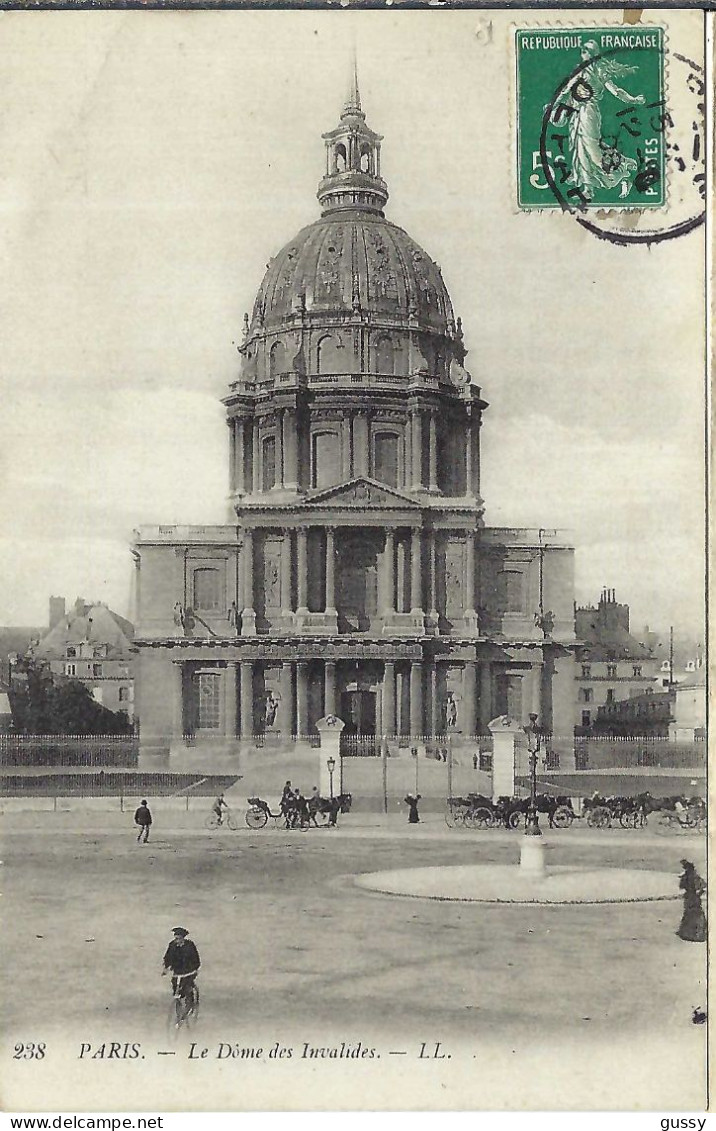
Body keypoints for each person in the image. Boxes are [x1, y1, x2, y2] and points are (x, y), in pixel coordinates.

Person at [162, 927, 201, 1000]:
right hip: (177, 969)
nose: (177, 941)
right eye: (176, 938)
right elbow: (168, 957)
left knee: (186, 984)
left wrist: (195, 969)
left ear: (183, 938)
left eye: (179, 939)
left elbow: (195, 958)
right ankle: (178, 1000)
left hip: (189, 969)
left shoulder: (189, 945)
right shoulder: (172, 945)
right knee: (174, 983)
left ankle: (190, 999)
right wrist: (166, 968)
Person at [676, 860, 707, 943]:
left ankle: (690, 934)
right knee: (693, 914)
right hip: (694, 898)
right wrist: (699, 893)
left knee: (690, 914)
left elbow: (681, 886)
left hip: (691, 897)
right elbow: (703, 886)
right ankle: (695, 934)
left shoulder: (689, 877)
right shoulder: (695, 876)